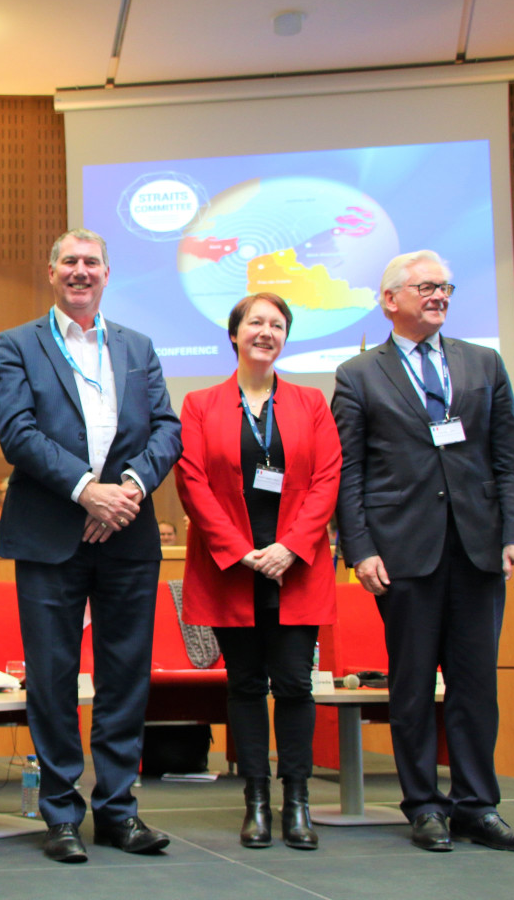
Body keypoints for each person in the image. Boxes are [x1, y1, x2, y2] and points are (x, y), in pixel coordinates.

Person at [332, 250, 514, 853]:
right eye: (426, 286)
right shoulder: (359, 374)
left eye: (445, 286)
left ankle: (478, 805)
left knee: (476, 686)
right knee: (415, 685)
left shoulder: (484, 363)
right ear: (389, 299)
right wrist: (360, 547)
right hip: (402, 553)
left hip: (477, 549)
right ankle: (423, 804)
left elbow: (509, 462)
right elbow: (350, 472)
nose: (439, 295)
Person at [0, 229, 182, 863]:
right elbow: (17, 432)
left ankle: (119, 813)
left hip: (127, 535)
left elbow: (166, 428)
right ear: (51, 273)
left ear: (107, 274)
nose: (81, 272)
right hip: (50, 535)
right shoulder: (18, 344)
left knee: (125, 676)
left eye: (91, 263)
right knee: (52, 678)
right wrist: (85, 492)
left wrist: (125, 489)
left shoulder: (138, 346)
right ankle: (60, 816)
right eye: (69, 262)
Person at [174, 293, 340, 850]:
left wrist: (290, 547)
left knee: (294, 684)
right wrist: (242, 550)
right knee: (245, 686)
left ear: (285, 338)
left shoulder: (312, 402)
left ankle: (297, 802)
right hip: (231, 567)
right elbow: (192, 483)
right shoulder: (199, 403)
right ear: (234, 334)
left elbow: (327, 480)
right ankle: (256, 803)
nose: (266, 332)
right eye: (256, 323)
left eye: (277, 325)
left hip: (297, 567)